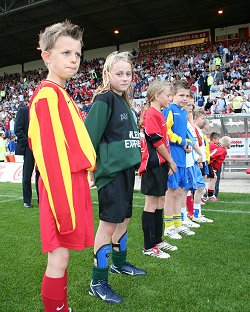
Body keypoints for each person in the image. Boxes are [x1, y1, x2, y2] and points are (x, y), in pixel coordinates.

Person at [28, 20, 96, 312]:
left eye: (77, 54)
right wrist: (62, 206)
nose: (73, 60)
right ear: (46, 56)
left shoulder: (61, 93)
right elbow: (50, 158)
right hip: (61, 188)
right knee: (58, 256)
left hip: (72, 183)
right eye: (65, 53)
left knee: (63, 256)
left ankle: (62, 307)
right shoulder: (46, 96)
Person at [84, 51, 146, 304]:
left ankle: (118, 264)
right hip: (111, 173)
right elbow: (89, 137)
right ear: (107, 74)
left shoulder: (125, 103)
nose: (124, 78)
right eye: (119, 73)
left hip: (127, 170)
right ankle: (97, 281)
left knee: (125, 218)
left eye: (128, 73)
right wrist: (92, 171)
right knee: (108, 225)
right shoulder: (104, 99)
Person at [139, 80, 177, 259]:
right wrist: (170, 160)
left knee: (160, 201)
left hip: (160, 164)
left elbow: (164, 142)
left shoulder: (159, 113)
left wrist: (167, 163)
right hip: (152, 165)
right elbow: (156, 141)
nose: (170, 98)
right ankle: (149, 246)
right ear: (156, 96)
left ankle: (157, 240)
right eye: (167, 95)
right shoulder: (151, 113)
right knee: (151, 204)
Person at [162, 80, 195, 240]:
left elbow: (183, 135)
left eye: (187, 96)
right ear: (173, 95)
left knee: (180, 191)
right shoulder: (170, 110)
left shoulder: (183, 112)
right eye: (181, 95)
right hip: (173, 156)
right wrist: (182, 142)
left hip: (182, 157)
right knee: (171, 192)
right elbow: (165, 132)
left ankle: (177, 223)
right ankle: (168, 227)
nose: (184, 98)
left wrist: (187, 143)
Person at [14, 104, 36, 208]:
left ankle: (42, 199)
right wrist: (28, 142)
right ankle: (27, 200)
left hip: (40, 146)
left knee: (41, 174)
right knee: (27, 173)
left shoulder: (41, 112)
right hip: (28, 147)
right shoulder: (23, 111)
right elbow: (17, 130)